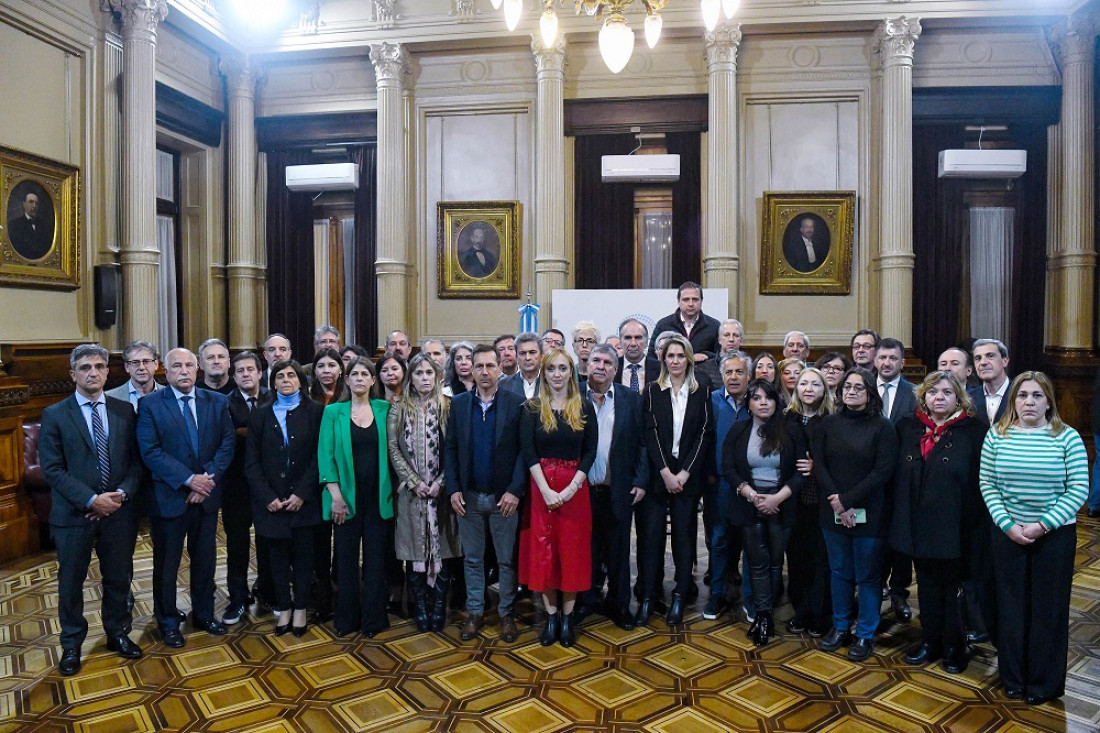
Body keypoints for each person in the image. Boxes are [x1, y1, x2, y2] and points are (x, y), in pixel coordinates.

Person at [980, 371, 1088, 705]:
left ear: (1049, 402)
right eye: (1023, 395)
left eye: (1037, 396)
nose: (1029, 401)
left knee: (1048, 610)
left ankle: (1043, 683)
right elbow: (988, 484)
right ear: (1014, 401)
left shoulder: (1067, 437)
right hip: (1007, 533)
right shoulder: (997, 435)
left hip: (1054, 536)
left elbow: (1078, 489)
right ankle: (1013, 678)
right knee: (1010, 608)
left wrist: (1042, 525)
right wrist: (1008, 525)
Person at [39, 345, 144, 675]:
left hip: (118, 514)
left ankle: (118, 633)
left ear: (107, 372)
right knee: (71, 583)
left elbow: (137, 463)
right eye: (85, 368)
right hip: (74, 516)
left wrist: (121, 495)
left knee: (118, 578)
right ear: (73, 374)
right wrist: (90, 500)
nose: (93, 373)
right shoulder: (55, 414)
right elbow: (53, 469)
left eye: (99, 367)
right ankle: (71, 644)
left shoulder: (124, 410)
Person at [137, 347, 235, 648]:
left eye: (189, 365)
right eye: (176, 366)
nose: (184, 371)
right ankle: (167, 621)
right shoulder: (150, 404)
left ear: (198, 370)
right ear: (165, 371)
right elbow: (150, 451)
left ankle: (204, 614)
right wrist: (188, 480)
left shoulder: (216, 401)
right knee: (167, 564)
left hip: (205, 498)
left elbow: (227, 443)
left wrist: (204, 481)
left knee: (205, 560)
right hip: (169, 498)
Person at [891, 371, 985, 674]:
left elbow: (979, 483)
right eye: (933, 392)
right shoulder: (909, 427)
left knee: (952, 587)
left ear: (959, 397)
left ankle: (956, 646)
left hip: (956, 526)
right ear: (924, 397)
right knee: (927, 586)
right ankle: (929, 641)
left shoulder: (974, 431)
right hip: (917, 524)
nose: (939, 397)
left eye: (946, 392)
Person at [813, 367, 899, 661]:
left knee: (868, 577)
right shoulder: (828, 424)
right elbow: (819, 465)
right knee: (839, 572)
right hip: (833, 512)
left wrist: (847, 500)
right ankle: (840, 627)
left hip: (871, 514)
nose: (850, 391)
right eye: (846, 387)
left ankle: (864, 633)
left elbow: (883, 471)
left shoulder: (883, 427)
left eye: (858, 388)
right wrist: (837, 503)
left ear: (870, 392)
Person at [445, 345, 526, 643]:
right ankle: (475, 611)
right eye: (478, 366)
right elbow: (451, 449)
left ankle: (506, 613)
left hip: (504, 498)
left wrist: (515, 491)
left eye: (490, 365)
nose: (484, 372)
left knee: (506, 560)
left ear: (500, 367)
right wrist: (453, 488)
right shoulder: (460, 404)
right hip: (469, 497)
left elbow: (523, 453)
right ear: (471, 370)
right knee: (473, 559)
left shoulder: (516, 404)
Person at [519, 348, 598, 647]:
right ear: (544, 373)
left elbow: (589, 452)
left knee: (571, 554)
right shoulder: (531, 408)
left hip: (574, 492)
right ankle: (550, 616)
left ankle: (567, 618)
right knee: (544, 554)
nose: (557, 374)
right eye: (551, 369)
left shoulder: (585, 407)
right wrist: (546, 490)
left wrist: (570, 489)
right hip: (542, 490)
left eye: (562, 368)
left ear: (571, 373)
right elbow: (528, 452)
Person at [636, 334, 714, 626]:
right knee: (651, 538)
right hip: (659, 475)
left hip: (687, 477)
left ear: (689, 359)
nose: (676, 361)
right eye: (671, 356)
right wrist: (666, 472)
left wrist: (683, 473)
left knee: (684, 538)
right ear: (663, 360)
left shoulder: (701, 389)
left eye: (681, 356)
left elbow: (704, 434)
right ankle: (649, 596)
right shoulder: (653, 390)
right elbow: (650, 432)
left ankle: (680, 595)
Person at [722, 379, 806, 646]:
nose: (763, 403)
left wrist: (777, 498)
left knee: (774, 562)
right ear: (749, 403)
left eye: (768, 398)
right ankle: (763, 615)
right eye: (756, 398)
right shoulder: (738, 430)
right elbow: (729, 467)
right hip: (749, 504)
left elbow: (801, 471)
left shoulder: (791, 430)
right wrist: (749, 493)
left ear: (776, 401)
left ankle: (767, 611)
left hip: (783, 504)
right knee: (756, 563)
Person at [245, 359, 323, 637]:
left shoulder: (316, 412)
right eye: (280, 376)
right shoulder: (260, 414)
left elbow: (319, 457)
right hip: (271, 504)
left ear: (301, 381)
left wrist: (302, 493)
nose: (286, 380)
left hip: (304, 502)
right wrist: (267, 496)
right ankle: (284, 607)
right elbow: (251, 462)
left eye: (292, 375)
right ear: (273, 382)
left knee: (303, 558)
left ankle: (300, 607)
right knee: (276, 559)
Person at [317, 356, 394, 638]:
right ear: (346, 380)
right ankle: (346, 619)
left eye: (365, 374)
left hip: (378, 498)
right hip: (344, 499)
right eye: (354, 374)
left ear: (373, 380)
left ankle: (374, 620)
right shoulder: (333, 412)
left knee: (375, 562)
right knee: (346, 560)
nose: (359, 378)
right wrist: (335, 496)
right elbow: (325, 458)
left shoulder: (386, 409)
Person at [387, 353, 462, 633]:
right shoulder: (399, 408)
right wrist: (413, 481)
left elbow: (454, 447)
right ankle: (420, 605)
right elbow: (393, 447)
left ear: (438, 375)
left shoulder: (448, 406)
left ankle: (439, 605)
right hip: (411, 493)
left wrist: (441, 482)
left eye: (429, 373)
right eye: (418, 373)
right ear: (410, 377)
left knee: (442, 547)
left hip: (442, 493)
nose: (424, 379)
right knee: (414, 549)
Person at [578, 344, 648, 630]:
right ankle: (584, 602)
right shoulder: (572, 396)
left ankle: (619, 605)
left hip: (617, 488)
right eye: (596, 360)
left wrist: (641, 480)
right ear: (587, 364)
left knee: (618, 552)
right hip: (580, 490)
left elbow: (643, 443)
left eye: (608, 362)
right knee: (585, 550)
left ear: (616, 370)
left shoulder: (630, 399)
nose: (601, 366)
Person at [221, 351, 272, 626]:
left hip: (268, 485)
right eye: (239, 371)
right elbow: (228, 436)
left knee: (268, 541)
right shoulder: (224, 403)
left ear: (260, 373)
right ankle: (237, 597)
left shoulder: (273, 397)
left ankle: (267, 591)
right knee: (237, 544)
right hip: (236, 485)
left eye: (250, 369)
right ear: (234, 375)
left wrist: (245, 430)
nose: (245, 374)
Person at [784, 366, 835, 637]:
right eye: (804, 384)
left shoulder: (831, 419)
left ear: (824, 389)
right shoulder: (786, 418)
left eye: (815, 384)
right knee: (797, 559)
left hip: (822, 500)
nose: (808, 389)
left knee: (820, 560)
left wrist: (818, 466)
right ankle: (800, 611)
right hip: (793, 500)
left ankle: (820, 614)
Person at [705, 351, 752, 621]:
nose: (734, 377)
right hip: (719, 484)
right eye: (729, 372)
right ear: (722, 376)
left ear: (748, 375)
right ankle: (717, 594)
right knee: (719, 541)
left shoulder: (759, 402)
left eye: (739, 372)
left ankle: (749, 598)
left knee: (749, 543)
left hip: (751, 486)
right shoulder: (710, 402)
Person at [875, 337, 917, 624]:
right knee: (874, 539)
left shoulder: (915, 393)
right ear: (875, 360)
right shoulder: (859, 388)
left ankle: (899, 592)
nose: (887, 363)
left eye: (893, 358)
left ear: (902, 362)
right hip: (869, 480)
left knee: (901, 538)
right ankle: (873, 589)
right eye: (882, 357)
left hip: (903, 478)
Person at [648, 281, 720, 363]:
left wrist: (707, 355)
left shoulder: (714, 326)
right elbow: (651, 356)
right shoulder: (663, 325)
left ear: (702, 301)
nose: (691, 304)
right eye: (686, 300)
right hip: (671, 374)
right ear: (678, 301)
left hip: (703, 374)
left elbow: (721, 356)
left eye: (695, 299)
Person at [106, 340, 164, 409]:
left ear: (156, 364)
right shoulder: (109, 398)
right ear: (127, 367)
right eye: (135, 362)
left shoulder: (171, 396)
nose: (141, 367)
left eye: (146, 361)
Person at [8, 190, 54, 259]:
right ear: (24, 204)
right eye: (31, 202)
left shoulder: (45, 226)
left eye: (36, 203)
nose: (34, 206)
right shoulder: (14, 224)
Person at [618, 318, 660, 392]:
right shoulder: (611, 367)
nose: (633, 343)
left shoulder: (661, 369)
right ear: (620, 342)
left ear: (647, 342)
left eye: (638, 338)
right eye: (628, 338)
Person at [500, 332, 541, 399]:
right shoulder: (503, 385)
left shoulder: (550, 383)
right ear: (516, 357)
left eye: (532, 352)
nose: (528, 358)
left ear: (541, 355)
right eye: (522, 353)